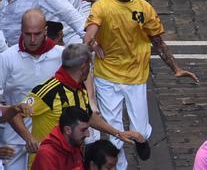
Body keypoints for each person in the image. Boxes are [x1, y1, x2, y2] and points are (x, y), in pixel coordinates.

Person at [83, 0, 198, 170]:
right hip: (107, 76)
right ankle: (119, 166)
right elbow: (91, 29)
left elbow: (158, 42)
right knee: (113, 132)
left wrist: (176, 68)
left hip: (136, 76)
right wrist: (91, 42)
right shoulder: (102, 6)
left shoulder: (144, 9)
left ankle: (142, 141)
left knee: (140, 131)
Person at [10, 44, 141, 168]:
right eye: (90, 65)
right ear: (84, 67)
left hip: (72, 161)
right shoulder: (49, 91)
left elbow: (88, 117)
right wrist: (29, 138)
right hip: (47, 163)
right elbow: (15, 114)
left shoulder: (79, 89)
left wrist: (117, 133)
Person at [0, 9, 63, 170]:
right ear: (21, 31)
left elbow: (83, 70)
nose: (32, 39)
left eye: (37, 33)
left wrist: (91, 99)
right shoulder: (7, 58)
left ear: (46, 31)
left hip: (49, 139)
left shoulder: (61, 55)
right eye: (28, 34)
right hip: (13, 140)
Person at [31, 106, 90, 170]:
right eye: (83, 130)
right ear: (67, 130)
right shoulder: (47, 154)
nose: (88, 134)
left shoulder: (75, 144)